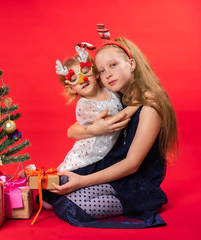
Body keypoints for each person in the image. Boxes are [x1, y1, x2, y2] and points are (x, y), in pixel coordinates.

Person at [43, 37, 178, 228]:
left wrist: (82, 181)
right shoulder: (116, 96)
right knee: (57, 190)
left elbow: (132, 164)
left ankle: (129, 203)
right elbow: (71, 131)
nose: (107, 74)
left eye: (113, 65)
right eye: (102, 70)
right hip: (111, 172)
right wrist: (95, 129)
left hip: (135, 183)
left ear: (131, 64)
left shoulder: (150, 106)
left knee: (70, 207)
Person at [55, 43, 138, 172]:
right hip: (86, 159)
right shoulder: (84, 105)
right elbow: (114, 122)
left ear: (96, 73)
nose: (82, 80)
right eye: (74, 79)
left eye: (85, 72)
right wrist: (138, 103)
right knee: (67, 184)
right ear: (70, 88)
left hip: (106, 157)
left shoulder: (111, 90)